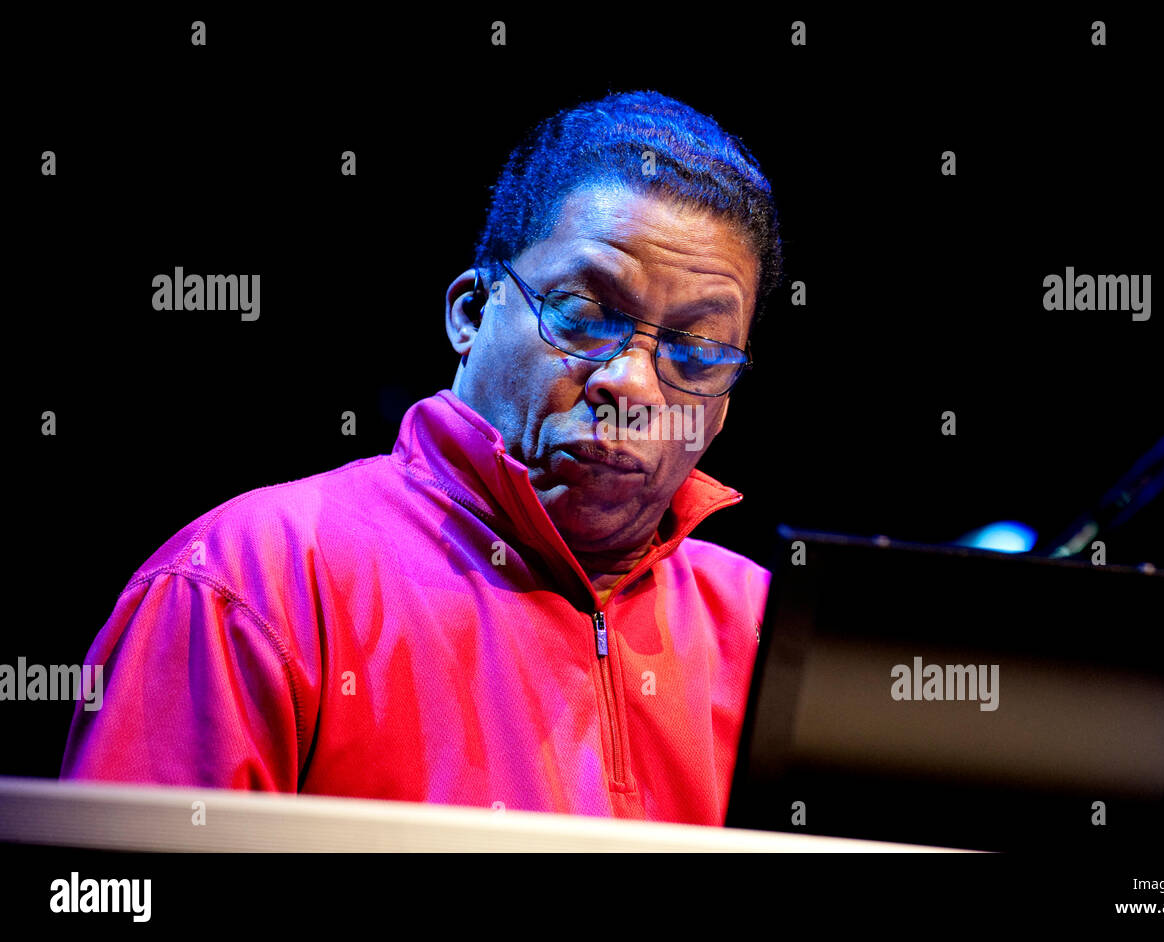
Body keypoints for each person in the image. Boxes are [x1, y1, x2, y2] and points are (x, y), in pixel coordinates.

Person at [61, 89, 783, 825]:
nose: (629, 383)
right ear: (472, 312)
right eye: (584, 315)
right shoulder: (250, 580)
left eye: (695, 354)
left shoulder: (769, 635)